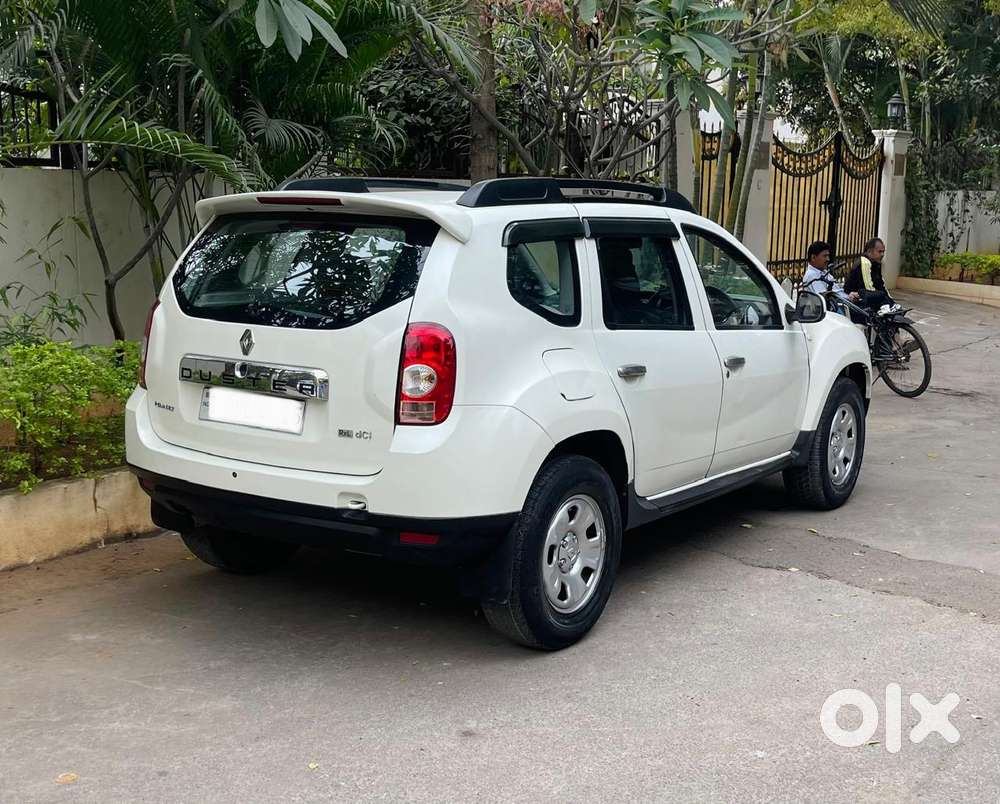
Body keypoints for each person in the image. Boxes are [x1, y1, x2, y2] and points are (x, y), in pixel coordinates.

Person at [844, 237, 901, 314]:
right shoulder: (865, 262)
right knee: (880, 295)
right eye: (879, 251)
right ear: (869, 251)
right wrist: (885, 300)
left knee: (883, 295)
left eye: (883, 252)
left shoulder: (876, 263)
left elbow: (881, 285)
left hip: (866, 296)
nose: (882, 254)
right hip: (855, 299)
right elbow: (869, 288)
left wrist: (891, 301)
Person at [801, 240, 858, 310]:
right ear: (813, 257)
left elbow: (836, 290)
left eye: (828, 256)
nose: (828, 259)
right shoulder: (812, 275)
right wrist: (848, 298)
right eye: (824, 256)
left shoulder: (824, 272)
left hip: (845, 303)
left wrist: (849, 296)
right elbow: (826, 299)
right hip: (836, 310)